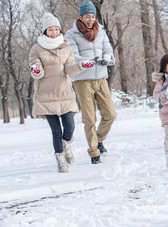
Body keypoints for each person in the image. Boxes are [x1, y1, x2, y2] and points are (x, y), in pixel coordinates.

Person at [29, 12, 95, 173]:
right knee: (56, 131)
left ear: (60, 30)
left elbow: (69, 68)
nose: (54, 32)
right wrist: (36, 70)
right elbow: (36, 70)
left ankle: (66, 145)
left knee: (70, 127)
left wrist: (81, 66)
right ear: (45, 31)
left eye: (56, 29)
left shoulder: (66, 46)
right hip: (46, 96)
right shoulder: (37, 48)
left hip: (65, 94)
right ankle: (60, 159)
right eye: (50, 30)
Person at [65, 1, 117, 164]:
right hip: (82, 80)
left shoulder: (100, 31)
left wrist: (108, 59)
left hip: (100, 78)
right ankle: (94, 152)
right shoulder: (71, 35)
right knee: (89, 118)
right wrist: (93, 61)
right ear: (81, 17)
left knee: (110, 114)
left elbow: (108, 50)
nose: (91, 20)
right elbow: (73, 56)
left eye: (93, 16)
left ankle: (99, 140)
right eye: (88, 16)